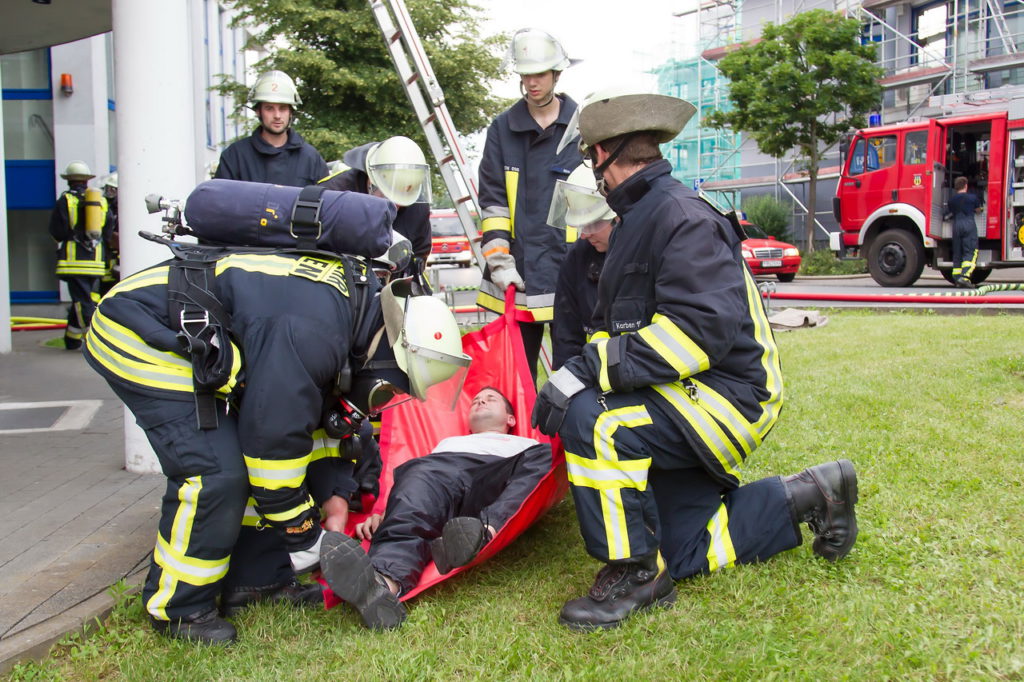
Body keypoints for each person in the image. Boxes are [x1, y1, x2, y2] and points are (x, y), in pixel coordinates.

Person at [531, 87, 860, 631]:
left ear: (606, 154)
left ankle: (634, 576)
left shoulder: (679, 216)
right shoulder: (639, 218)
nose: (593, 171)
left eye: (592, 157)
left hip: (731, 396)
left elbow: (699, 334)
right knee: (678, 552)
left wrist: (583, 373)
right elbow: (623, 331)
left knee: (597, 419)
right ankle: (813, 493)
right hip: (684, 391)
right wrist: (579, 370)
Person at [83, 241, 471, 645]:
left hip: (188, 332)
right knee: (216, 472)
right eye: (391, 387)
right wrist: (306, 537)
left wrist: (335, 492)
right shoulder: (314, 334)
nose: (385, 397)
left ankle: (256, 581)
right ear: (389, 355)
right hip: (141, 331)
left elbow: (311, 427)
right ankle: (178, 610)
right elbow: (272, 446)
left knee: (251, 465)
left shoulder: (353, 322)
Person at [318, 386, 551, 630]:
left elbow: (530, 482)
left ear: (511, 419)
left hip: (495, 476)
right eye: (475, 400)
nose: (480, 402)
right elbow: (414, 494)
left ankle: (484, 531)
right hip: (444, 479)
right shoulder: (448, 444)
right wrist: (386, 514)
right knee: (418, 480)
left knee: (543, 456)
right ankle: (383, 585)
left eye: (490, 399)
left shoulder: (528, 445)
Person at [476, 28, 583, 380]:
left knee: (574, 372)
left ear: (557, 73)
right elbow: (493, 203)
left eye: (539, 74)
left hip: (573, 265)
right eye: (525, 75)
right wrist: (499, 262)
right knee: (517, 377)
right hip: (518, 270)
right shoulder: (502, 129)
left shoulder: (583, 126)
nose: (532, 82)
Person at [319, 136, 432, 270]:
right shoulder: (334, 196)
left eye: (402, 200)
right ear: (371, 182)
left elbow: (419, 254)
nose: (395, 206)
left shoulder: (417, 208)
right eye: (387, 196)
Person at [548, 163, 617, 369]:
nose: (585, 234)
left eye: (593, 223)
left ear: (618, 215)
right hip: (591, 373)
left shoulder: (645, 250)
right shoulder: (578, 257)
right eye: (581, 225)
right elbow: (566, 336)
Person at [214, 70, 328, 187]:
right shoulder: (235, 156)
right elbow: (219, 196)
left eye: (283, 108)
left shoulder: (310, 158)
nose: (277, 115)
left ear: (291, 112)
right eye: (269, 108)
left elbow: (326, 196)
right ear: (258, 111)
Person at [48, 160, 110, 350]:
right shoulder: (101, 201)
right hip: (96, 261)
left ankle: (94, 339)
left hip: (74, 262)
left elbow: (57, 232)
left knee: (81, 302)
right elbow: (108, 232)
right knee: (88, 298)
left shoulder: (66, 200)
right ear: (86, 180)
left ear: (68, 180)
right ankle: (71, 339)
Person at [947, 176, 982, 288]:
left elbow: (950, 212)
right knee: (970, 251)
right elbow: (978, 210)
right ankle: (965, 277)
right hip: (968, 224)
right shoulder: (972, 198)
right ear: (966, 186)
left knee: (957, 252)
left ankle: (957, 279)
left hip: (956, 225)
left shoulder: (951, 200)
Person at [99, 172, 120, 295]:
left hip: (118, 255)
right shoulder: (105, 205)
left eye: (112, 189)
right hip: (107, 253)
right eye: (108, 189)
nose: (109, 193)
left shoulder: (125, 208)